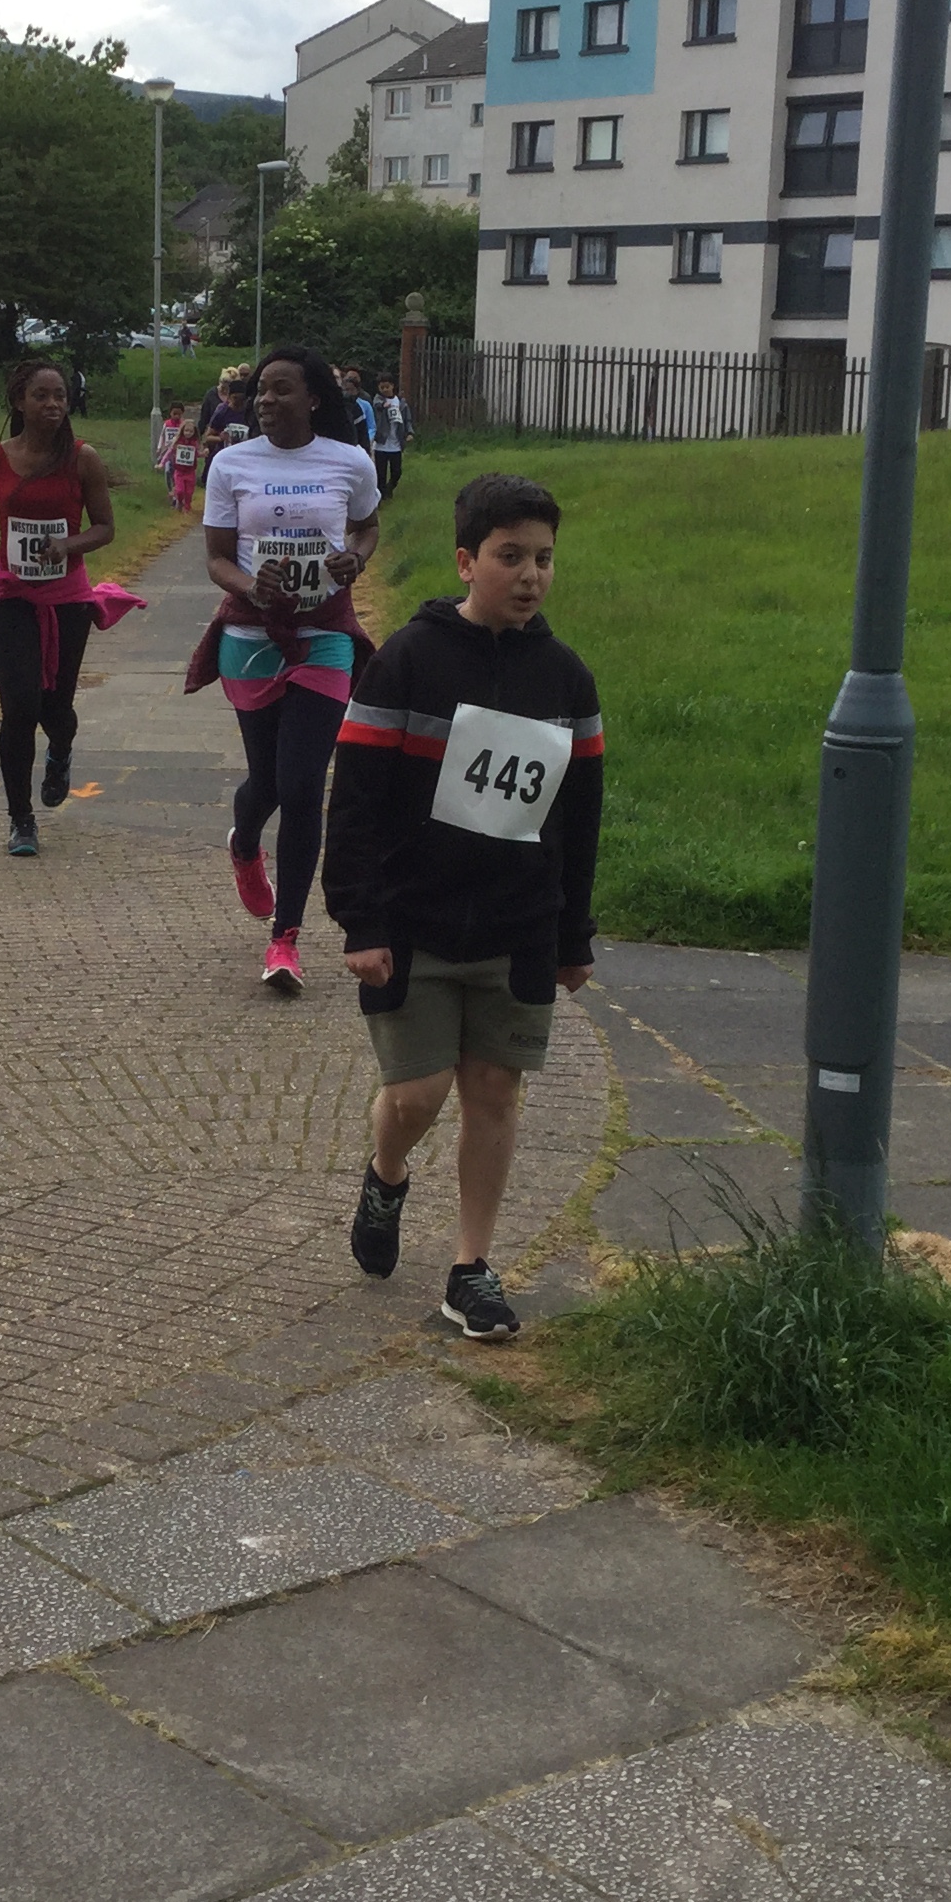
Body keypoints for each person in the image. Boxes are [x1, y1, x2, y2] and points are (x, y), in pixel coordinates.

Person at [322, 472, 602, 1342]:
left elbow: (580, 819)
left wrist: (573, 934)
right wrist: (361, 920)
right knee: (418, 1094)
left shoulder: (566, 680)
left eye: (544, 559)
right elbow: (356, 799)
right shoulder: (409, 661)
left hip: (518, 926)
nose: (530, 576)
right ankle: (387, 1172)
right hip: (414, 923)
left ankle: (471, 1269)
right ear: (465, 561)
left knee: (493, 1091)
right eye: (510, 556)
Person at [188, 345, 382, 996]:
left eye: (280, 390)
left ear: (314, 399)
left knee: (301, 787)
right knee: (267, 783)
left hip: (324, 633)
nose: (265, 401)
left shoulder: (349, 461)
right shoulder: (232, 463)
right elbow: (216, 558)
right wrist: (253, 584)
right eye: (260, 391)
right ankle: (245, 843)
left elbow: (367, 528)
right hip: (251, 636)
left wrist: (355, 558)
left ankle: (286, 938)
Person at [0, 360, 143, 855]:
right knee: (19, 707)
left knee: (55, 709)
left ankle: (60, 749)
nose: (53, 404)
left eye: (60, 395)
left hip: (66, 601)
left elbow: (105, 527)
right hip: (12, 597)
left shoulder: (82, 459)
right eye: (41, 395)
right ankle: (21, 819)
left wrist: (67, 546)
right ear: (19, 401)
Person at [368, 376, 409, 501]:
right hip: (381, 444)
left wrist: (409, 433)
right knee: (380, 473)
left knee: (397, 472)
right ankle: (380, 496)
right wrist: (383, 405)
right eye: (382, 387)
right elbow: (377, 406)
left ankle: (389, 488)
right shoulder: (378, 400)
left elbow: (407, 419)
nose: (385, 389)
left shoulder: (401, 402)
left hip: (396, 444)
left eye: (387, 387)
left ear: (392, 386)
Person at [159, 400, 198, 511]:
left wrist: (202, 453)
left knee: (182, 482)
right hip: (170, 453)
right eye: (174, 413)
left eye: (179, 414)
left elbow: (195, 451)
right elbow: (162, 436)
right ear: (170, 413)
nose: (176, 416)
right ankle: (172, 491)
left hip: (183, 463)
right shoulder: (167, 424)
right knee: (168, 471)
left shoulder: (184, 425)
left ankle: (178, 496)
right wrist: (160, 448)